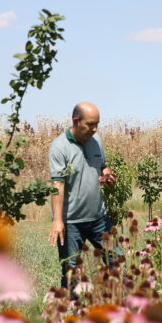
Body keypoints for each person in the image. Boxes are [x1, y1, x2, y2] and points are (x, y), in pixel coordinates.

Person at [47, 102, 117, 290]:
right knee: (71, 271)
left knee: (116, 260)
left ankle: (119, 304)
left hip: (99, 218)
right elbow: (57, 184)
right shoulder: (59, 147)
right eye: (90, 124)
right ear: (76, 121)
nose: (95, 129)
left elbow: (103, 166)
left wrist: (108, 177)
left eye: (97, 124)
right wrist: (58, 221)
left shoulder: (97, 141)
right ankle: (69, 312)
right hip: (71, 223)